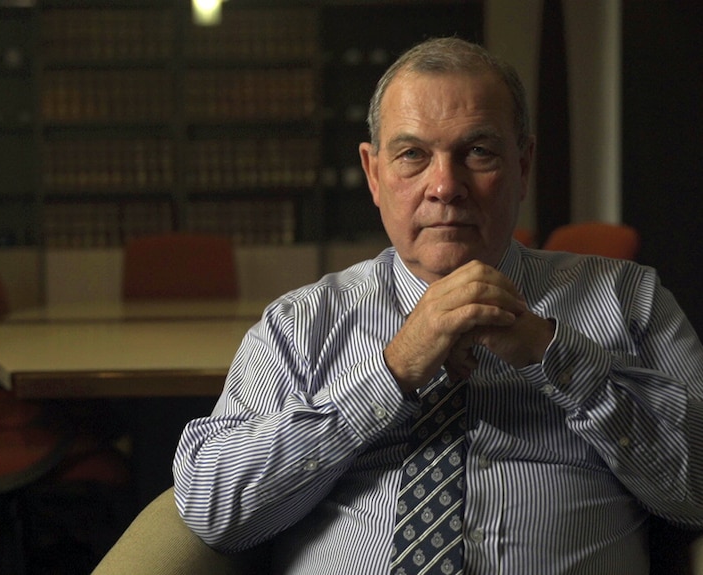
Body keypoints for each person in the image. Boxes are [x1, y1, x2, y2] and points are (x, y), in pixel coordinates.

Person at [172, 37, 703, 574]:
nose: (446, 186)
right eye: (412, 155)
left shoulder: (629, 299)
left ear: (523, 164)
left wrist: (554, 354)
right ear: (374, 173)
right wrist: (393, 370)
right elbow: (214, 509)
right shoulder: (301, 323)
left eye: (479, 152)